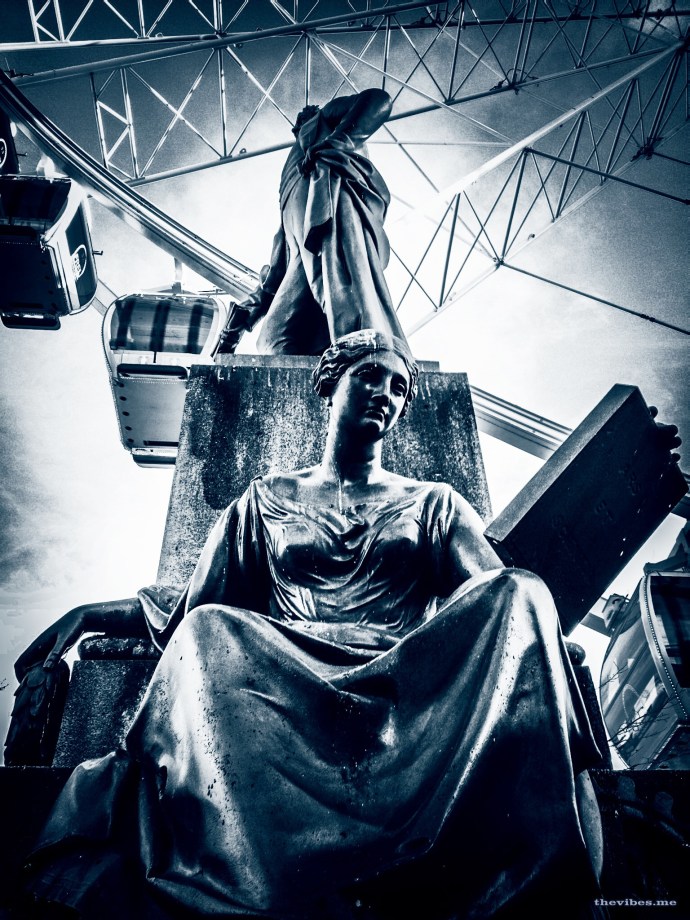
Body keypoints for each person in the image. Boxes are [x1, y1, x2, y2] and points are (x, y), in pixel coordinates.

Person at [16, 330, 604, 919]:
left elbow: (494, 596)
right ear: (331, 383)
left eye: (399, 388)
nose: (386, 395)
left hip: (404, 680)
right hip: (283, 676)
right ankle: (253, 866)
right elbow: (189, 614)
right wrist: (90, 613)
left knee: (522, 590)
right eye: (370, 377)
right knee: (209, 632)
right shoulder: (263, 499)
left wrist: (547, 639)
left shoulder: (433, 502)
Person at [214, 90, 406, 356]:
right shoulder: (290, 183)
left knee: (349, 314)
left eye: (305, 120)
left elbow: (378, 100)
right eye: (298, 126)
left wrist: (337, 141)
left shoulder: (326, 123)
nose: (299, 124)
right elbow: (277, 271)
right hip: (303, 262)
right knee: (272, 340)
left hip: (333, 234)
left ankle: (364, 361)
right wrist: (241, 319)